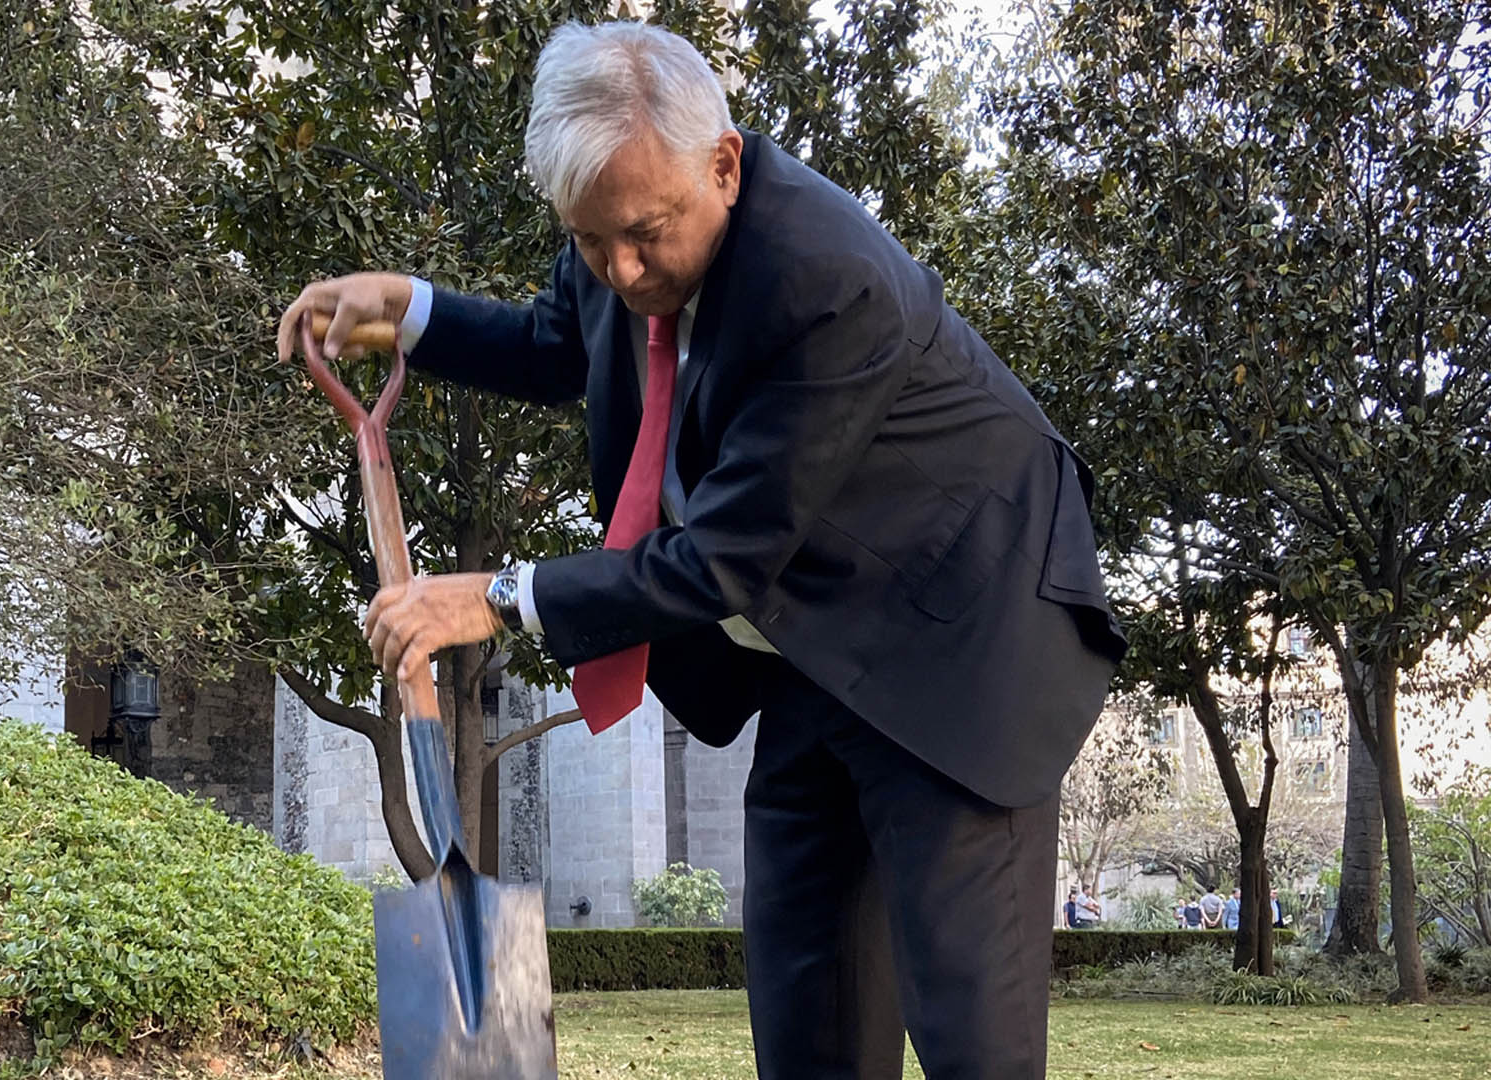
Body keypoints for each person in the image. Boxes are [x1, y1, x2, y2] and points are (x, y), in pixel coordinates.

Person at [281, 22, 1125, 1079]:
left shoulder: (828, 280)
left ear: (722, 163)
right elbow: (561, 342)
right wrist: (412, 312)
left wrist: (497, 598)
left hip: (967, 648)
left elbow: (724, 557)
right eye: (591, 242)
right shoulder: (622, 214)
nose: (623, 269)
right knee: (804, 1014)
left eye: (643, 233)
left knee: (972, 1043)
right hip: (820, 648)